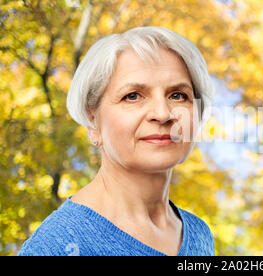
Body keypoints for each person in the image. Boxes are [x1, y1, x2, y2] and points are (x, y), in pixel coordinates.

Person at [18, 26, 215, 256]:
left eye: (177, 95)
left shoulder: (199, 235)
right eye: (132, 96)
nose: (162, 114)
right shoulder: (55, 247)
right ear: (93, 119)